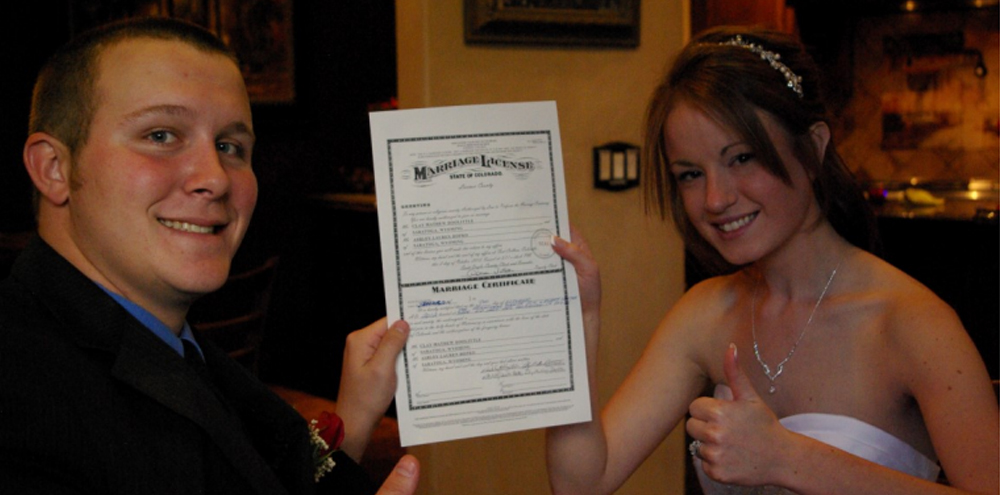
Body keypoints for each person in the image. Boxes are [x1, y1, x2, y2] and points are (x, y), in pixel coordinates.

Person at [546, 26, 999, 495]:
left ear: (814, 148)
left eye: (742, 158)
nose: (716, 199)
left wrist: (789, 459)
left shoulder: (912, 323)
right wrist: (577, 321)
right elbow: (581, 484)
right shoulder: (705, 314)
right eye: (691, 174)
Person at [0, 17, 419, 495]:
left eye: (229, 146)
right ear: (54, 168)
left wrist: (355, 417)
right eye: (161, 136)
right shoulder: (21, 395)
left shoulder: (173, 343)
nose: (216, 178)